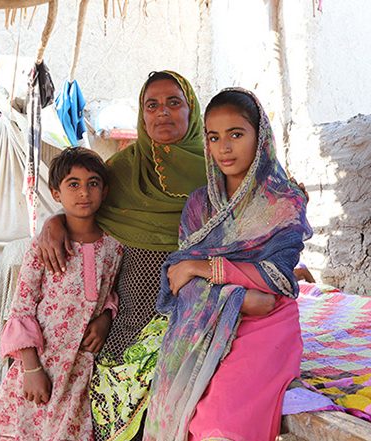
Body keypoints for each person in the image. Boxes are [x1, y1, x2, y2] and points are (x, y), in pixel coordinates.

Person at [38, 70, 208, 440]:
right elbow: (82, 207)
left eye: (173, 102)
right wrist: (52, 223)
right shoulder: (123, 171)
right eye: (152, 105)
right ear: (142, 116)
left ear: (191, 110)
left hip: (193, 320)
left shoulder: (217, 170)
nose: (162, 112)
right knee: (112, 410)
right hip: (124, 318)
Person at [143, 88, 312, 441]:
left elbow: (277, 278)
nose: (224, 148)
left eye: (236, 134)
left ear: (260, 136)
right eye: (214, 137)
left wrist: (202, 268)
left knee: (220, 425)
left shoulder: (284, 203)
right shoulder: (199, 205)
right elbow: (179, 279)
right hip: (208, 321)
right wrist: (240, 298)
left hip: (266, 327)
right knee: (179, 412)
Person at [0, 148, 124, 441]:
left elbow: (109, 293)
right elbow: (21, 309)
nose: (84, 193)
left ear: (105, 191)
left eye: (93, 183)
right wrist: (31, 368)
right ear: (55, 193)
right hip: (42, 366)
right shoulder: (43, 247)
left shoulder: (114, 247)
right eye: (72, 184)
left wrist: (105, 318)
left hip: (80, 372)